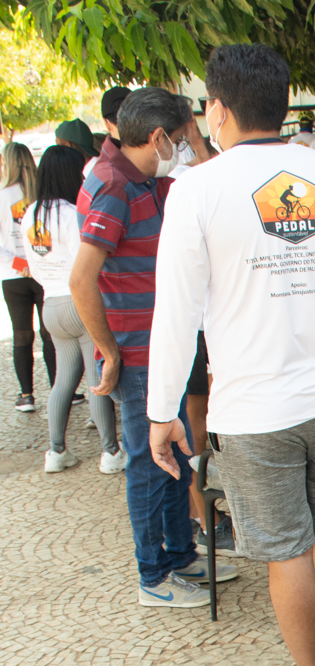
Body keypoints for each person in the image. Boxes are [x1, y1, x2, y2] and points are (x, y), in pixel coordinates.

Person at [147, 43, 315, 666]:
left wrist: (162, 411)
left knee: (285, 550)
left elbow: (176, 314)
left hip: (253, 406)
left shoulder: (198, 189)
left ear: (217, 110)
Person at [70, 86, 223, 610]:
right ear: (158, 137)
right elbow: (80, 278)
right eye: (180, 140)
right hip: (136, 354)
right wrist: (107, 349)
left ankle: (181, 555)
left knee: (175, 453)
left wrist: (198, 140)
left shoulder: (145, 180)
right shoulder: (115, 185)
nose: (185, 148)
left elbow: (208, 174)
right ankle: (153, 574)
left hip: (162, 349)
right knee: (148, 462)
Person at [24, 146, 126, 474]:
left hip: (50, 305)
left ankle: (56, 451)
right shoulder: (70, 213)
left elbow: (32, 263)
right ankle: (111, 452)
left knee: (63, 381)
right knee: (97, 376)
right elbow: (83, 266)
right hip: (77, 303)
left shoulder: (30, 215)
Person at [0, 142, 55, 412]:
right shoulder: (41, 194)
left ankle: (26, 395)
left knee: (22, 335)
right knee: (49, 334)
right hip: (44, 271)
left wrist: (20, 263)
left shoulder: (1, 195)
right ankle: (61, 391)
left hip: (13, 276)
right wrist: (33, 262)